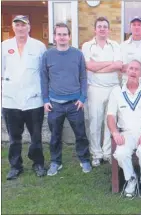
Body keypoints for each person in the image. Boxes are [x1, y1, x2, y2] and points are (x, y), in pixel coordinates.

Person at [41, 22, 91, 175]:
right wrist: (45, 100)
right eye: (59, 34)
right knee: (55, 137)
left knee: (81, 135)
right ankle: (56, 162)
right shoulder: (47, 55)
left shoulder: (77, 54)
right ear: (55, 37)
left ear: (69, 37)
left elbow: (83, 77)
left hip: (75, 104)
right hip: (55, 104)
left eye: (65, 34)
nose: (62, 37)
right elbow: (44, 79)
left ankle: (84, 160)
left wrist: (82, 98)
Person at [2, 15, 46, 180]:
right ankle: (15, 166)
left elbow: (43, 72)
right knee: (14, 137)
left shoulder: (39, 46)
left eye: (23, 25)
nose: (20, 28)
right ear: (13, 27)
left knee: (36, 136)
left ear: (29, 27)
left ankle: (38, 163)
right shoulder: (4, 46)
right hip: (11, 99)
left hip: (34, 99)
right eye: (17, 25)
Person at [107, 60, 141, 198]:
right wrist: (115, 132)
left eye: (137, 69)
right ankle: (131, 178)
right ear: (126, 71)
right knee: (121, 153)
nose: (133, 71)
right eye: (131, 68)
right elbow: (110, 116)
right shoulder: (116, 92)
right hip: (125, 133)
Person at [82, 17, 123, 166]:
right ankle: (96, 154)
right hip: (95, 88)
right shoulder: (87, 46)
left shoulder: (115, 45)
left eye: (105, 26)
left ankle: (107, 153)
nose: (102, 29)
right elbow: (89, 66)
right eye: (99, 26)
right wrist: (108, 64)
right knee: (95, 121)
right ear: (95, 29)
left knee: (110, 122)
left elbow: (119, 65)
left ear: (109, 29)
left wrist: (97, 66)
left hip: (113, 87)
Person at [120, 16, 141, 86]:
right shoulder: (123, 46)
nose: (136, 27)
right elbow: (120, 68)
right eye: (134, 25)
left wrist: (129, 67)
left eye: (139, 25)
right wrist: (140, 68)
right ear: (130, 27)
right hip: (126, 86)